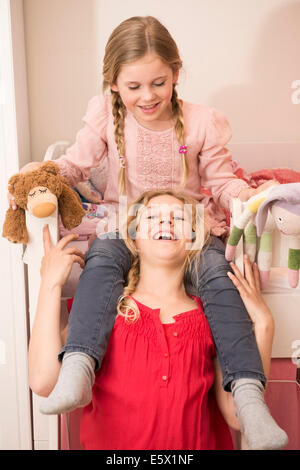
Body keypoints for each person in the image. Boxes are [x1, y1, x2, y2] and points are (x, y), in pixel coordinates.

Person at [10, 16, 286, 449]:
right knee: (101, 262)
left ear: (176, 72)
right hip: (124, 222)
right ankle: (80, 365)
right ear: (114, 84)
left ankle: (249, 397)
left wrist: (252, 194)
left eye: (159, 83)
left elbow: (221, 180)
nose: (148, 96)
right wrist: (43, 174)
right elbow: (76, 165)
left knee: (220, 280)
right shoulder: (105, 116)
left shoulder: (199, 122)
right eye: (134, 86)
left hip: (188, 226)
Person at [29, 189, 281, 450]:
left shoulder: (210, 317)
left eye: (179, 219)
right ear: (134, 239)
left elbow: (235, 415)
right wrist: (50, 284)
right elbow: (43, 381)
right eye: (151, 217)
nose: (166, 222)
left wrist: (264, 324)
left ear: (195, 240)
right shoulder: (105, 311)